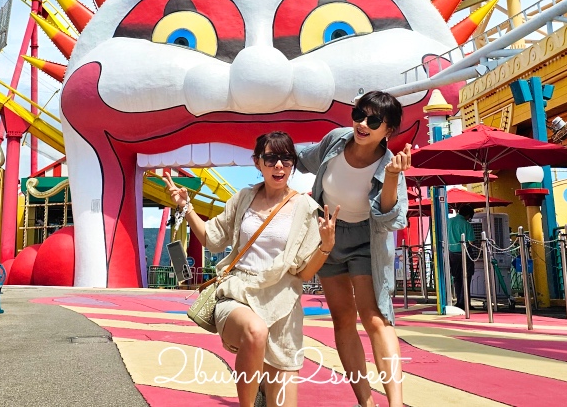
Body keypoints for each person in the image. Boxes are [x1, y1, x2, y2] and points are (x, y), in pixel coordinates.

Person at [168, 132, 338, 407]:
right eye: (270, 158)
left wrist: (326, 246)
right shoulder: (243, 198)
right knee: (255, 331)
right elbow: (212, 239)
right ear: (258, 162)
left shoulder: (307, 208)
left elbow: (305, 274)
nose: (279, 165)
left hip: (282, 304)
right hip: (238, 293)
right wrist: (186, 206)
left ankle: (260, 383)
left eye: (286, 158)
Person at [297, 91, 410, 407]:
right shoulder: (336, 140)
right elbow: (305, 157)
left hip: (365, 239)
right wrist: (274, 150)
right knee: (342, 318)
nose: (362, 124)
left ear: (388, 130)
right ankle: (366, 402)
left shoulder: (389, 164)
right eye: (359, 114)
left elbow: (388, 216)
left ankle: (396, 404)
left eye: (373, 121)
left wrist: (391, 177)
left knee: (374, 317)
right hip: (327, 234)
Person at [447, 205, 477, 311]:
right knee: (466, 277)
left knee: (456, 278)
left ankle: (459, 301)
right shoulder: (467, 224)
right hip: (464, 252)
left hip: (451, 252)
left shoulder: (448, 221)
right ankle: (465, 302)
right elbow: (471, 242)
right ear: (468, 215)